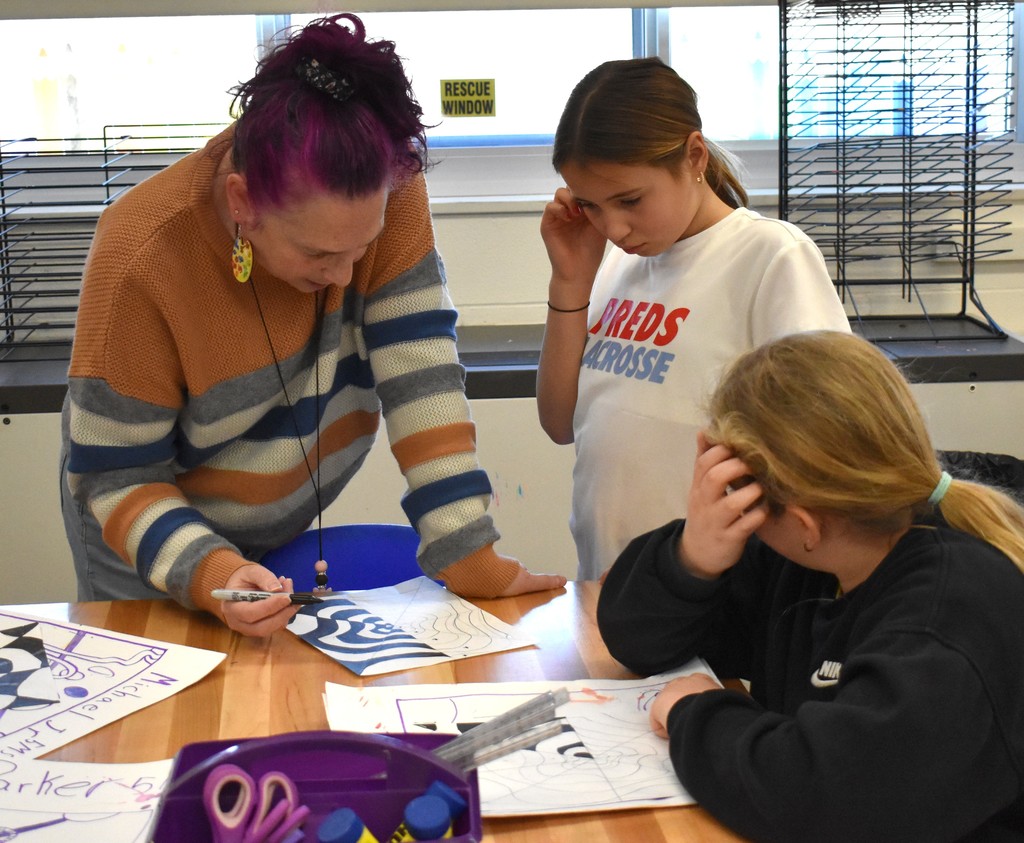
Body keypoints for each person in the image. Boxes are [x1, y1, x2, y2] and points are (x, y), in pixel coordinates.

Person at [59, 13, 565, 638]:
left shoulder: (383, 182)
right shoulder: (141, 255)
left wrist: (465, 549)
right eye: (319, 254)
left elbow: (422, 374)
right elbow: (118, 476)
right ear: (243, 202)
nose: (345, 276)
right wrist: (213, 569)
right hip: (144, 521)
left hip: (274, 513)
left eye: (362, 248)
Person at [597, 330, 1024, 841]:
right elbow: (637, 639)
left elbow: (824, 798)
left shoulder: (949, 614)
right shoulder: (817, 556)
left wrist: (693, 712)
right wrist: (694, 557)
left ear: (803, 523)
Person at [537, 57, 851, 581]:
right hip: (613, 583)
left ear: (694, 156)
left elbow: (829, 441)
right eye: (590, 205)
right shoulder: (618, 261)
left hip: (721, 591)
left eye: (630, 200)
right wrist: (569, 282)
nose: (614, 227)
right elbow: (559, 423)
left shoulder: (770, 255)